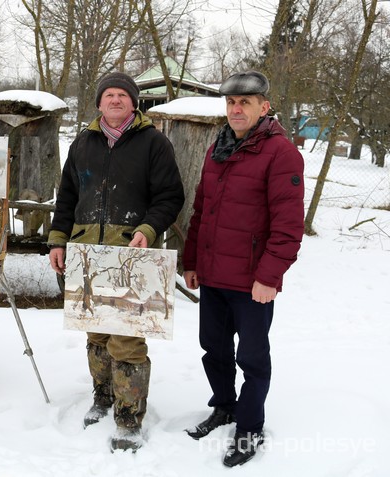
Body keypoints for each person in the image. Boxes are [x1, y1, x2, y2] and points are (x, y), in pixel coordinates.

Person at [48, 72, 185, 452]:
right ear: (98, 103)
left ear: (134, 102)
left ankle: (128, 417)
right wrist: (59, 240)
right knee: (96, 334)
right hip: (88, 254)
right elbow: (67, 198)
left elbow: (171, 196)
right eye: (108, 95)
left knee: (127, 340)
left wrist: (148, 228)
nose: (115, 101)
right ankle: (103, 397)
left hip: (132, 255)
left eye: (122, 95)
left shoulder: (154, 143)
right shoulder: (82, 143)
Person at [182, 70, 304, 467]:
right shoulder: (217, 149)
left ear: (263, 107)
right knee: (213, 349)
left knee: (251, 357)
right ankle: (224, 406)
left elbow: (288, 227)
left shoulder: (281, 152)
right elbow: (201, 211)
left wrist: (269, 277)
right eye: (231, 102)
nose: (236, 109)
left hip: (253, 282)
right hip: (214, 275)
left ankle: (249, 426)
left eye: (245, 102)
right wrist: (191, 262)